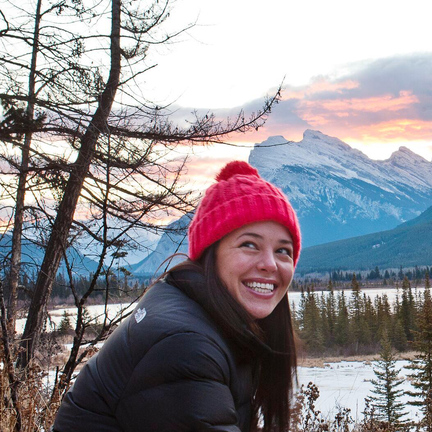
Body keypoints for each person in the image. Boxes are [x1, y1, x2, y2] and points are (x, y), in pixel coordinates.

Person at [53, 160, 301, 432]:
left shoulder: (205, 316)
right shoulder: (186, 347)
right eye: (249, 245)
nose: (270, 264)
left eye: (283, 250)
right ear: (211, 253)